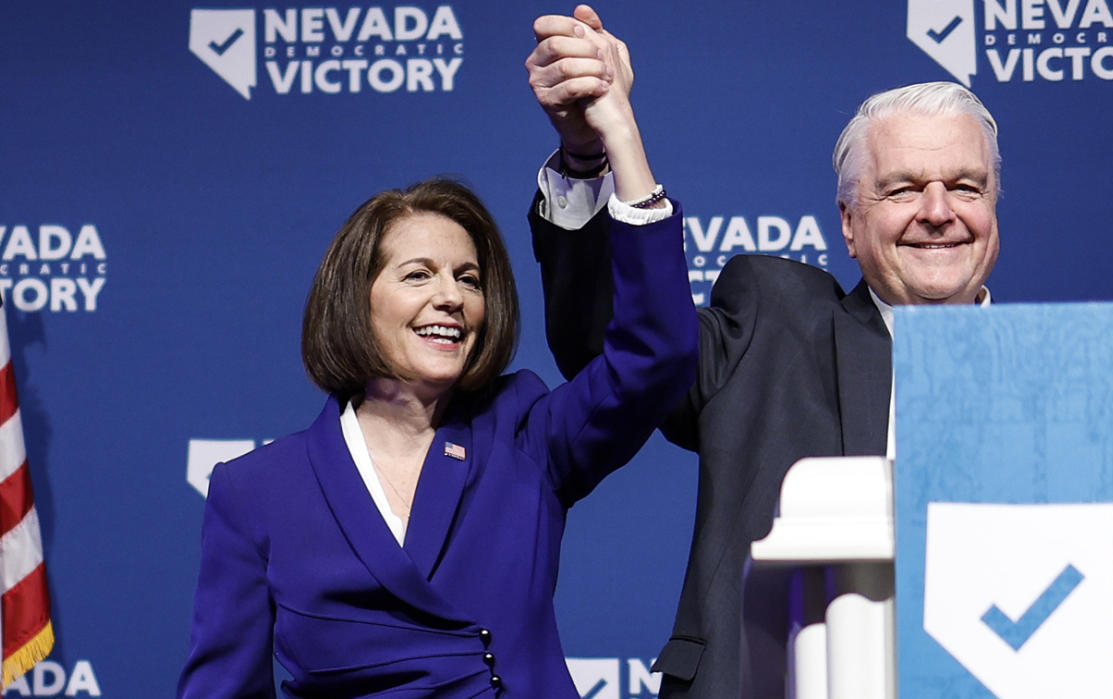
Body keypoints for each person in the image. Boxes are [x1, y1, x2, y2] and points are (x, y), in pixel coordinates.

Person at [176, 47, 697, 696]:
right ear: (356, 298)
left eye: (468, 278)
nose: (450, 296)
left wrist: (615, 133)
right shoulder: (255, 491)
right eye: (418, 274)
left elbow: (659, 353)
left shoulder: (523, 434)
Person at [527, 6, 1000, 697]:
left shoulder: (1065, 383)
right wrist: (596, 152)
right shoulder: (775, 324)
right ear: (848, 221)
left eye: (965, 186)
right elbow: (618, 349)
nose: (937, 209)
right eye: (902, 188)